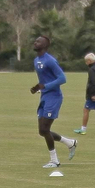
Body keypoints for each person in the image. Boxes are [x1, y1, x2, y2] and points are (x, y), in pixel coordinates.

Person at [30, 35, 77, 167]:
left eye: (38, 41)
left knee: (45, 129)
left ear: (45, 45)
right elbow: (45, 79)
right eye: (36, 40)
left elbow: (62, 78)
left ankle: (54, 160)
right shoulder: (36, 60)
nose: (35, 42)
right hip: (44, 97)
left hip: (54, 97)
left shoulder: (50, 60)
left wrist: (46, 86)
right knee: (42, 131)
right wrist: (38, 87)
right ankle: (69, 143)